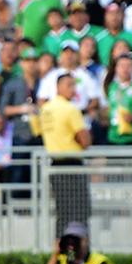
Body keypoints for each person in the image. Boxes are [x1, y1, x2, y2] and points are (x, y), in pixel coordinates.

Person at [40, 72, 92, 235]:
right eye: (69, 85)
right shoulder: (70, 109)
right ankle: (78, 252)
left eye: (74, 85)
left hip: (55, 163)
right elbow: (85, 141)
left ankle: (61, 252)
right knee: (80, 211)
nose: (73, 89)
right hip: (72, 164)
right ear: (58, 87)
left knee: (63, 211)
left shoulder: (46, 109)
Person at [45, 221, 111, 264]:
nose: (72, 243)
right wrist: (55, 254)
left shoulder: (98, 262)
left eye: (77, 239)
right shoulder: (62, 260)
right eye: (69, 240)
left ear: (86, 241)